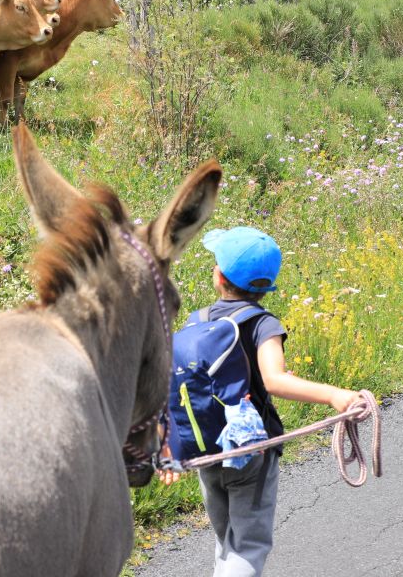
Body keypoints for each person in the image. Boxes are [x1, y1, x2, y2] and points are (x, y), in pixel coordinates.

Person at [159, 226, 358, 577]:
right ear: (267, 286)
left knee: (226, 541)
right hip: (251, 450)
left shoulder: (195, 322)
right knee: (247, 545)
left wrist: (167, 446)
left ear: (219, 277)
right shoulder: (263, 324)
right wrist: (334, 395)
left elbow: (175, 387)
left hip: (208, 450)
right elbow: (273, 380)